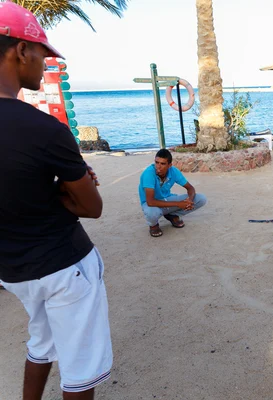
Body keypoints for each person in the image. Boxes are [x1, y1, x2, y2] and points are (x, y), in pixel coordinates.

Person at [0, 3, 112, 400]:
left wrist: (50, 189)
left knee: (41, 341)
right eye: (42, 52)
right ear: (19, 51)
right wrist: (66, 189)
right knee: (80, 369)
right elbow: (92, 207)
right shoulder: (43, 129)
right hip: (64, 266)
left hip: (13, 270)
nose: (45, 60)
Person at [139, 149, 207, 237]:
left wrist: (189, 201)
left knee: (201, 199)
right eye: (157, 162)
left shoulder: (173, 171)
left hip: (167, 199)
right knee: (151, 213)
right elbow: (150, 202)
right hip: (152, 204)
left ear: (169, 165)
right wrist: (179, 204)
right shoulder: (148, 173)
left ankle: (172, 215)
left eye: (162, 164)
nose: (158, 166)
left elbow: (190, 189)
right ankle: (153, 225)